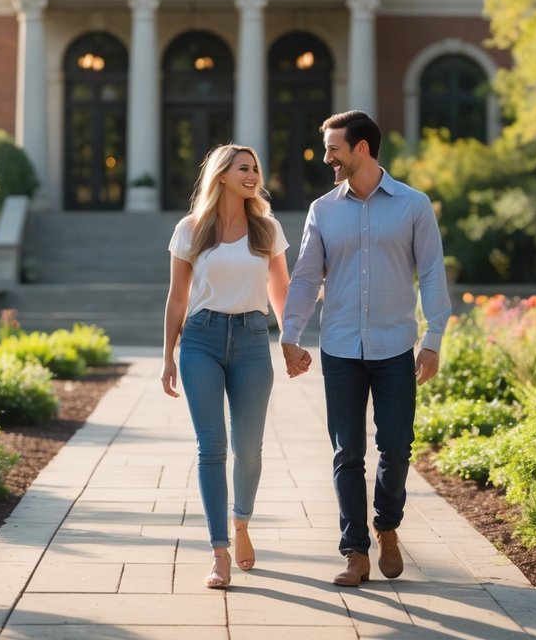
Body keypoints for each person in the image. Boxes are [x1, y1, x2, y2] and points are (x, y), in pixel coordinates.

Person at [279, 110, 451, 587]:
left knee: (396, 446)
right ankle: (355, 551)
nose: (326, 157)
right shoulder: (323, 209)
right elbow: (307, 275)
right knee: (346, 451)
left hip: (396, 345)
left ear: (361, 149)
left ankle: (387, 526)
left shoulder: (414, 206)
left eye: (334, 148)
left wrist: (433, 338)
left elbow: (432, 273)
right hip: (340, 346)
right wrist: (290, 334)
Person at [161, 144, 291, 589]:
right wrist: (167, 356)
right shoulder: (192, 229)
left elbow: (281, 292)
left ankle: (241, 524)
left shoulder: (266, 229)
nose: (253, 174)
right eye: (244, 168)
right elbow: (177, 296)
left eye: (255, 167)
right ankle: (219, 552)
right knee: (211, 447)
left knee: (249, 449)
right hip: (201, 340)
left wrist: (291, 341)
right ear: (221, 176)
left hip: (254, 340)